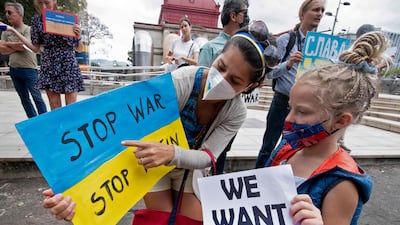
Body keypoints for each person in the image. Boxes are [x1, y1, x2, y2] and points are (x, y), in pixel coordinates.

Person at [40, 24, 323, 224]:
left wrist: (172, 154)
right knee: (159, 220)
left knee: (191, 220)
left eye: (235, 81)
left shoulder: (236, 112)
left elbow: (208, 157)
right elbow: (122, 127)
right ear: (216, 57)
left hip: (188, 167)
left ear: (250, 86)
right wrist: (72, 182)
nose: (222, 79)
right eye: (221, 67)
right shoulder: (181, 81)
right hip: (152, 166)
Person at [265, 31, 388, 225]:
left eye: (302, 112)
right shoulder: (285, 150)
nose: (289, 118)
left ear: (340, 121)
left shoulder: (343, 183)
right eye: (291, 108)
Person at [255, 0, 326, 168]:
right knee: (269, 146)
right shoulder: (287, 40)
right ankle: (258, 178)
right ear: (302, 14)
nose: (320, 14)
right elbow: (269, 72)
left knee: (292, 148)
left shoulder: (320, 45)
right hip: (282, 102)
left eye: (322, 10)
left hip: (306, 106)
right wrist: (288, 64)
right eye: (316, 9)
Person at [197, 0, 250, 175]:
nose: (248, 16)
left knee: (219, 159)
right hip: (206, 119)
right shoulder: (210, 49)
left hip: (227, 119)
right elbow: (200, 86)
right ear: (233, 16)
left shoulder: (249, 53)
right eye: (245, 12)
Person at [2, 0, 84, 110]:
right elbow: (35, 48)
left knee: (71, 108)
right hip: (49, 63)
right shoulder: (37, 20)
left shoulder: (66, 18)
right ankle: (56, 128)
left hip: (68, 63)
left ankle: (70, 128)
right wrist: (13, 31)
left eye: (47, 2)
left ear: (54, 1)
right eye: (40, 3)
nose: (44, 6)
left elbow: (79, 48)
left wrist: (78, 36)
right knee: (55, 107)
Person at [0, 2, 47, 118]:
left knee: (37, 97)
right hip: (14, 69)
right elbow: (2, 49)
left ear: (19, 13)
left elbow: (24, 46)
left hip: (29, 70)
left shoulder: (28, 29)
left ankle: (44, 120)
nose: (7, 15)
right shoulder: (6, 31)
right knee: (24, 98)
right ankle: (33, 121)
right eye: (6, 12)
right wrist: (16, 46)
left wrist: (10, 46)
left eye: (10, 12)